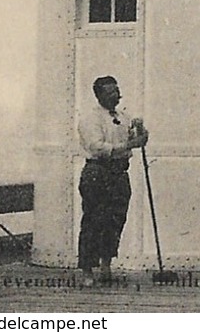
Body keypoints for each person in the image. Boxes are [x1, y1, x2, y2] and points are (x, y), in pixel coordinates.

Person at [77, 76, 147, 285]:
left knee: (115, 219)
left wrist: (140, 130)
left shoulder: (123, 117)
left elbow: (137, 140)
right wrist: (130, 145)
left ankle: (106, 265)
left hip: (119, 174)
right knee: (93, 220)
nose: (116, 96)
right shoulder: (91, 119)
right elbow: (97, 147)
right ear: (99, 95)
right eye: (110, 92)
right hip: (97, 173)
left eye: (117, 91)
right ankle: (87, 270)